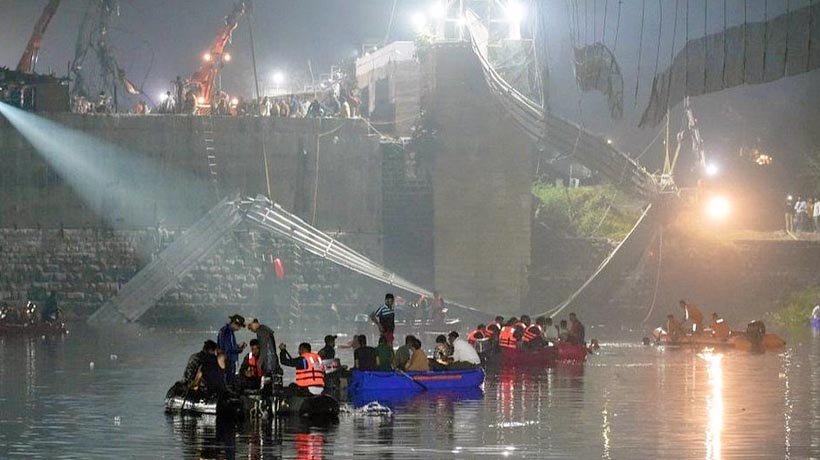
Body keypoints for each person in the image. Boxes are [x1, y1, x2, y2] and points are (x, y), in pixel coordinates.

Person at [247, 319, 282, 384]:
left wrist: (259, 362)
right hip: (272, 358)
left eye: (250, 326)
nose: (251, 329)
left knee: (268, 375)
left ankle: (268, 390)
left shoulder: (261, 332)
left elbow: (263, 348)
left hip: (268, 359)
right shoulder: (265, 330)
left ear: (255, 323)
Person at [217, 314, 246, 384]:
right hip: (228, 361)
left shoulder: (225, 331)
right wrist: (240, 348)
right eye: (239, 326)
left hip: (225, 360)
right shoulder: (227, 332)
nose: (239, 329)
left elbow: (228, 345)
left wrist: (237, 346)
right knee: (229, 381)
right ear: (234, 323)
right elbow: (228, 349)